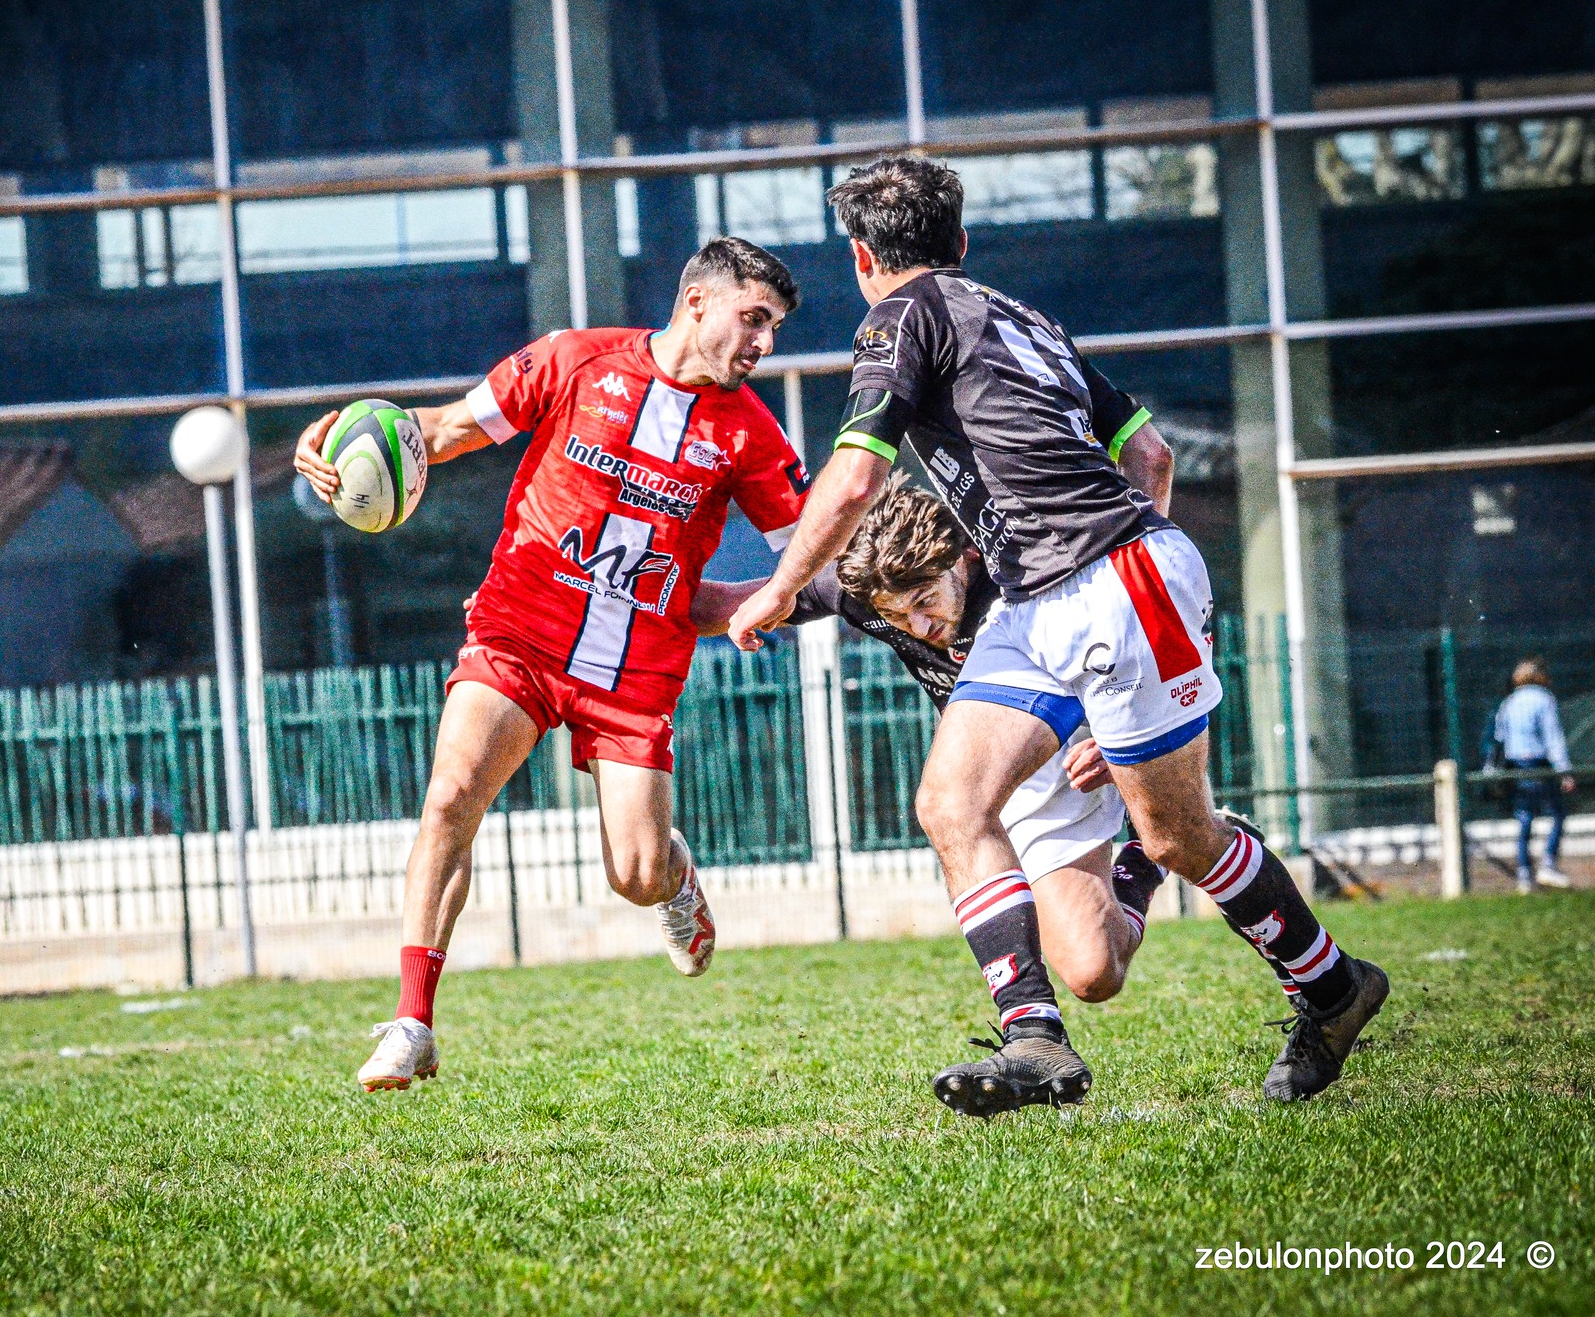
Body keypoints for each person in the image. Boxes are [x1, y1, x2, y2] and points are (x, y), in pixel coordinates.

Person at [726, 156, 1386, 1114]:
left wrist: (782, 587)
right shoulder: (1024, 319)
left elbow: (857, 474)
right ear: (960, 243)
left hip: (1112, 581)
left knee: (1176, 833)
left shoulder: (898, 317)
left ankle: (1332, 987)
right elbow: (1149, 453)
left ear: (865, 257)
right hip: (1047, 598)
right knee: (953, 803)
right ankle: (1034, 1042)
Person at [294, 237, 814, 1092]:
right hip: (518, 631)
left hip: (637, 671)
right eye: (753, 319)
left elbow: (799, 563)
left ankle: (673, 874)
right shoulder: (577, 360)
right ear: (695, 304)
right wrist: (349, 433)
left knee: (636, 875)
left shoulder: (751, 434)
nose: (764, 343)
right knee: (451, 798)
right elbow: (442, 431)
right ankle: (412, 1021)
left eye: (774, 327)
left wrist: (761, 603)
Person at [695, 479, 1169, 1041]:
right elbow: (724, 605)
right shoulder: (858, 585)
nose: (919, 628)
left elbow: (1144, 625)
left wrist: (1121, 737)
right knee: (1090, 968)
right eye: (896, 617)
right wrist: (617, 590)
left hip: (1084, 743)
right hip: (994, 767)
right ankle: (1128, 885)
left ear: (963, 556)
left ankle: (1149, 854)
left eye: (925, 601)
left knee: (1100, 958)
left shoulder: (1024, 568)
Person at [1492, 658, 1575, 893]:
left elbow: (1500, 736)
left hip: (1516, 765)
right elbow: (1553, 738)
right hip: (1539, 763)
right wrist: (1564, 771)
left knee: (1525, 817)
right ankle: (1548, 863)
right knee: (1558, 813)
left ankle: (1524, 874)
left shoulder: (1509, 702)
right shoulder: (1543, 699)